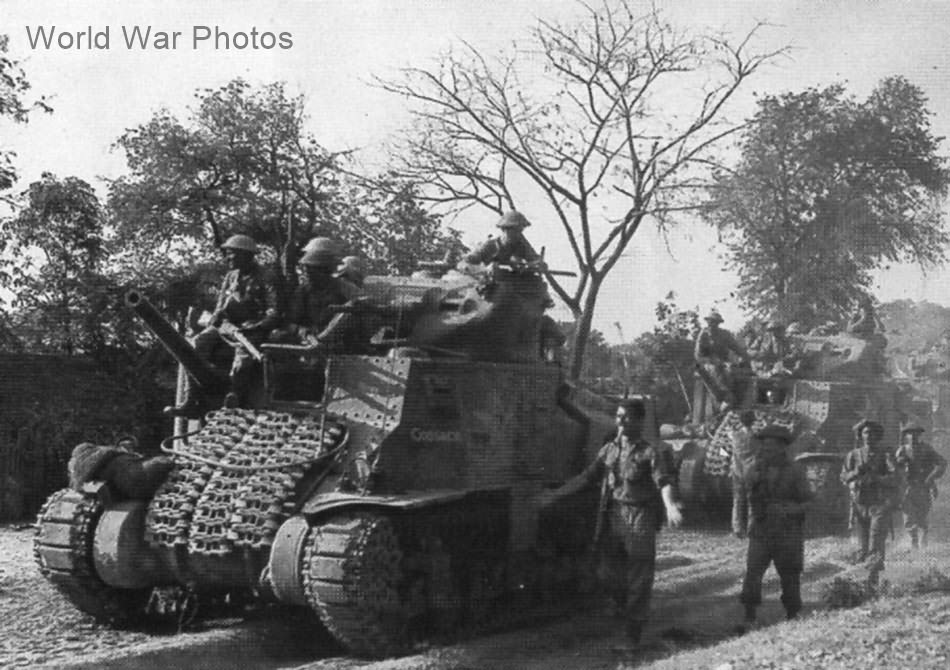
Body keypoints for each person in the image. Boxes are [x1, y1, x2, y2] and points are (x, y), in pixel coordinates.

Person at [538, 398, 683, 649]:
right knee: (605, 573)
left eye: (626, 417)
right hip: (614, 514)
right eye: (618, 416)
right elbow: (586, 478)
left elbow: (664, 482)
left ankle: (632, 636)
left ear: (639, 421)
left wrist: (670, 506)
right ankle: (624, 607)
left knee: (639, 575)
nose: (620, 421)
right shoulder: (609, 450)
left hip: (640, 517)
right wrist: (555, 494)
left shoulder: (650, 452)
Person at [169, 234, 279, 415]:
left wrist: (256, 326)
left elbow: (274, 311)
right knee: (196, 344)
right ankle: (191, 399)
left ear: (247, 255)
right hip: (227, 326)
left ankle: (234, 395)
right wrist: (217, 317)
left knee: (244, 355)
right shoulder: (230, 277)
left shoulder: (266, 277)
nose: (228, 258)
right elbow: (221, 306)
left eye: (232, 254)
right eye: (227, 254)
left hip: (252, 328)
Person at [738, 424, 811, 626]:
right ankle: (749, 614)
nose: (766, 450)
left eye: (771, 446)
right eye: (764, 445)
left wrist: (790, 510)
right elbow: (744, 495)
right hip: (761, 529)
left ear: (782, 448)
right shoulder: (754, 468)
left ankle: (792, 614)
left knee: (790, 574)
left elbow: (808, 501)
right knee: (753, 572)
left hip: (787, 531)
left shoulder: (795, 471)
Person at [840, 418, 898, 584]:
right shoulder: (853, 455)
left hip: (879, 504)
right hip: (859, 505)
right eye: (865, 432)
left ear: (878, 435)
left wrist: (876, 478)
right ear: (860, 435)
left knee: (876, 540)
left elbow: (895, 478)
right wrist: (856, 473)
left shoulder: (886, 455)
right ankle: (862, 579)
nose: (869, 435)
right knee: (862, 545)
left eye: (872, 433)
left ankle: (873, 580)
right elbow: (843, 476)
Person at [286, 245, 353, 349]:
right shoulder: (303, 291)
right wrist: (302, 331)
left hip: (337, 339)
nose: (307, 273)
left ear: (325, 270)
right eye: (306, 269)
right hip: (310, 338)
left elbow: (361, 304)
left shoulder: (343, 288)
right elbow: (292, 322)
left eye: (311, 270)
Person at [895, 422, 947, 549]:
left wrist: (931, 478)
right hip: (907, 488)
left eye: (915, 434)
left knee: (922, 515)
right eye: (909, 434)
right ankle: (913, 539)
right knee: (908, 515)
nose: (912, 437)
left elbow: (942, 463)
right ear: (906, 436)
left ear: (919, 435)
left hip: (923, 487)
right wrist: (900, 463)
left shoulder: (927, 449)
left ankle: (923, 536)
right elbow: (894, 469)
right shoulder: (902, 450)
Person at [69, 440, 174, 500]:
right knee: (167, 463)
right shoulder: (106, 453)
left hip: (130, 491)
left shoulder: (87, 473)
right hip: (141, 473)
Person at [694, 310, 751, 409]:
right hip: (706, 362)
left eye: (715, 322)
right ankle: (725, 398)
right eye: (711, 322)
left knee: (738, 370)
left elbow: (736, 347)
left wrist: (745, 357)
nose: (713, 324)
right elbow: (698, 354)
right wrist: (712, 361)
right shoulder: (703, 334)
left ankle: (741, 401)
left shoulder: (724, 334)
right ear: (708, 322)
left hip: (723, 361)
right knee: (718, 370)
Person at [459, 210, 542, 272]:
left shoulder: (522, 245)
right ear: (504, 229)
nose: (517, 234)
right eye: (514, 230)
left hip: (516, 283)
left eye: (520, 231)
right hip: (492, 284)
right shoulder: (491, 245)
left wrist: (539, 264)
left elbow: (534, 259)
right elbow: (471, 259)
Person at [730, 410, 758, 537]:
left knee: (737, 500)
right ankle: (751, 528)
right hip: (751, 472)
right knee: (752, 501)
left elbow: (724, 449)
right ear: (753, 422)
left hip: (737, 471)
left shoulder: (734, 435)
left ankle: (737, 528)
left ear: (741, 421)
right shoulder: (756, 437)